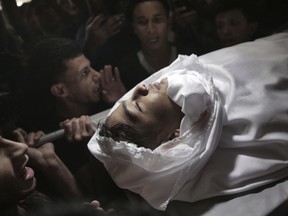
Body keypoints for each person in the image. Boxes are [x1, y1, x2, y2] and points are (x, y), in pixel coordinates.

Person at [87, 31, 288, 210]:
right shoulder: (230, 128)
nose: (140, 89)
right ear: (170, 139)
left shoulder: (179, 79)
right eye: (137, 106)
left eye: (129, 99)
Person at [116, 0, 178, 90]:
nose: (151, 29)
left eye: (157, 20)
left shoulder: (189, 58)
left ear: (169, 22)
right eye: (142, 22)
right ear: (134, 27)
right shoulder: (126, 71)